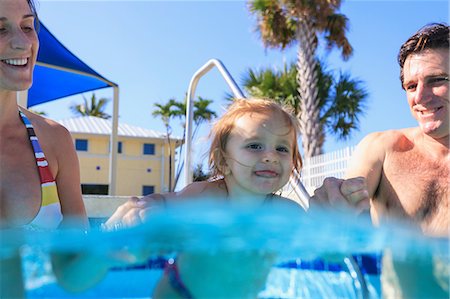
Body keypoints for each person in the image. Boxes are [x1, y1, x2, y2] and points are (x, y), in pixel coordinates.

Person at [105, 98, 305, 298]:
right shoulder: (203, 196)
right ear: (223, 161)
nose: (271, 156)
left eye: (282, 148)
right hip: (182, 290)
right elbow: (164, 201)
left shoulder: (288, 212)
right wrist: (146, 207)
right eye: (254, 145)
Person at [313, 22, 449, 298]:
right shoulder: (384, 150)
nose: (420, 97)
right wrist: (332, 204)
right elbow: (346, 198)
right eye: (411, 86)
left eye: (436, 80)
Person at [0, 0, 102, 297]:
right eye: (0, 29)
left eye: (28, 27)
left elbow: (77, 268)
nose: (22, 43)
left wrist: (115, 245)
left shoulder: (55, 141)